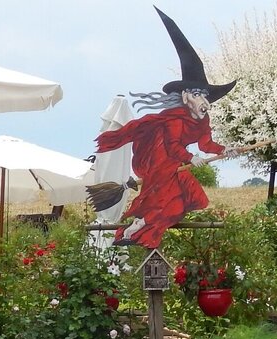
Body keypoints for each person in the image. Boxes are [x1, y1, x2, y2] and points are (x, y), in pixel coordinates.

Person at [96, 8, 236, 249]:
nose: (203, 101)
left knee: (180, 204)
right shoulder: (173, 120)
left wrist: (226, 149)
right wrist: (190, 157)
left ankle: (137, 226)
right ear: (185, 96)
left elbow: (206, 144)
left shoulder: (202, 120)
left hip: (176, 164)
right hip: (162, 160)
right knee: (175, 203)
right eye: (196, 94)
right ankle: (138, 227)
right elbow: (172, 146)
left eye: (205, 95)